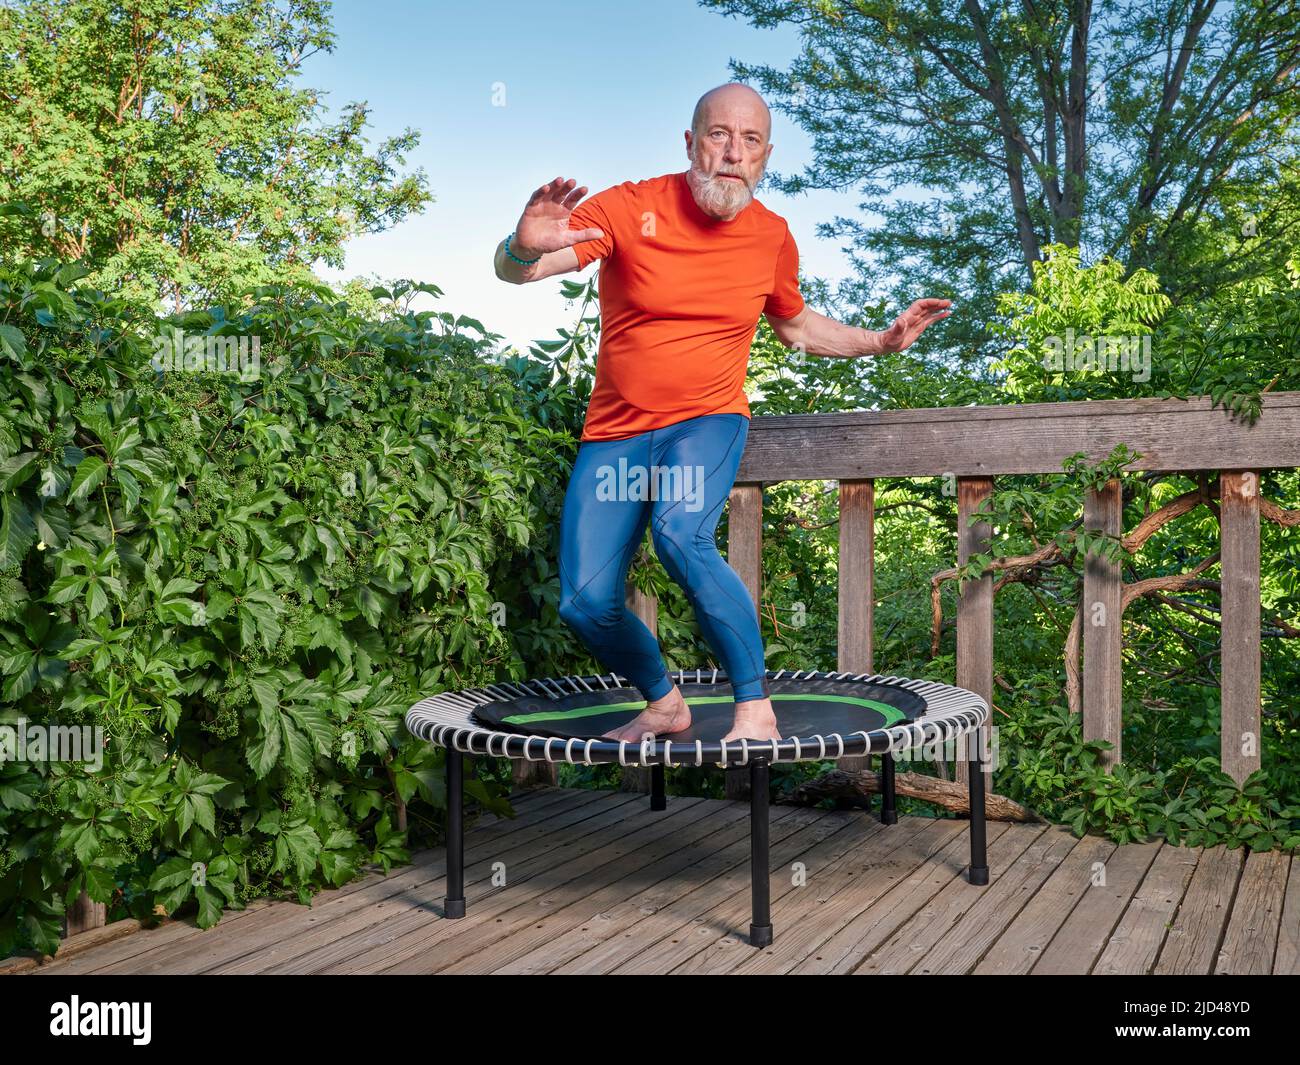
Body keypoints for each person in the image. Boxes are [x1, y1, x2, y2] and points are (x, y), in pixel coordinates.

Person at [494, 83, 950, 744]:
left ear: (766, 156)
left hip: (706, 421)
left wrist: (878, 341)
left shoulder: (771, 237)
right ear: (690, 142)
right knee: (585, 603)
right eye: (718, 135)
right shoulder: (631, 207)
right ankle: (664, 701)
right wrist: (523, 244)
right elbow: (519, 273)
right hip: (616, 432)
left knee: (682, 533)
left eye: (751, 140)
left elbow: (797, 328)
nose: (733, 153)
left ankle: (754, 706)